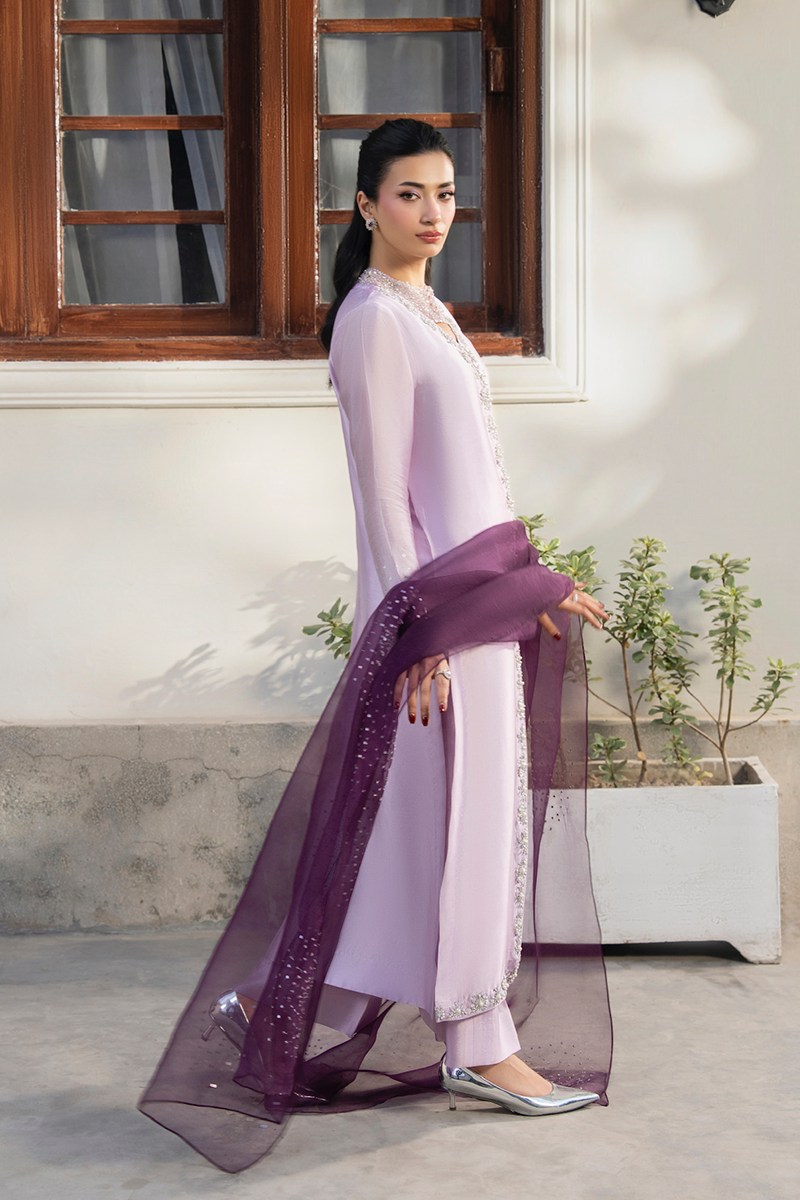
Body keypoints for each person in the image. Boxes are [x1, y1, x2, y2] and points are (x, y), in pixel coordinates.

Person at [139, 119, 612, 1174]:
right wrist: (417, 634)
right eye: (409, 194)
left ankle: (270, 1004)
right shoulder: (370, 322)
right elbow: (386, 501)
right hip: (432, 627)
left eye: (445, 193)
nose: (433, 212)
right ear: (364, 206)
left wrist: (530, 584)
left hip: (470, 613)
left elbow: (469, 485)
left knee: (424, 835)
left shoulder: (428, 312)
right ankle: (481, 1049)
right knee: (452, 831)